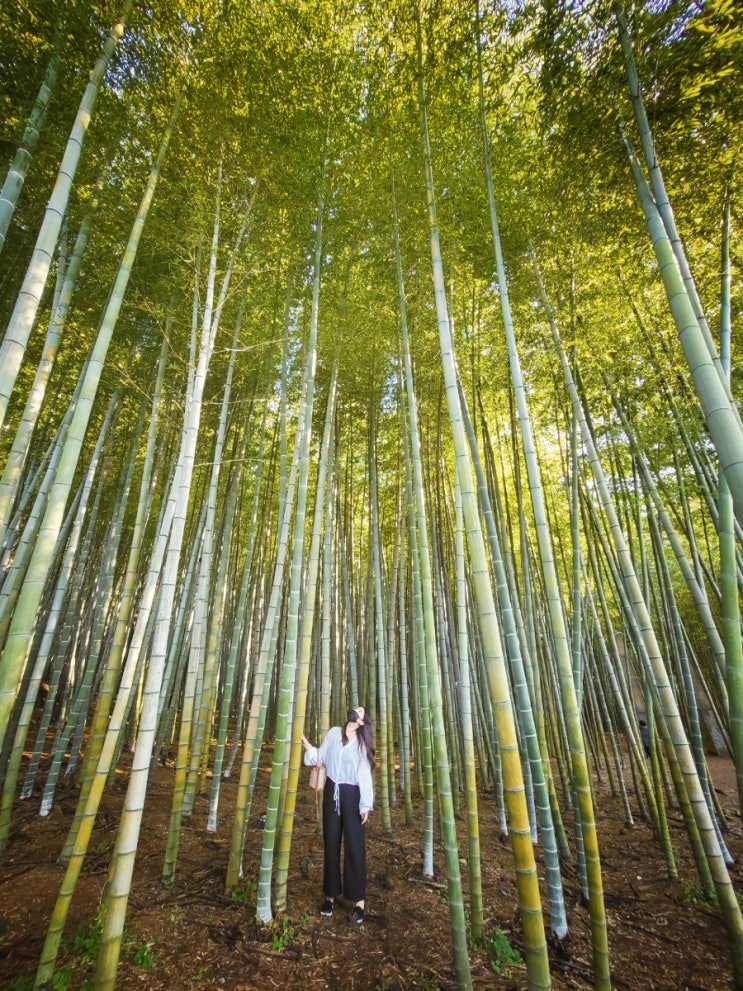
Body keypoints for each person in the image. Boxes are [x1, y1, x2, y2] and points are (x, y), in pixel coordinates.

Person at [301, 706, 375, 924]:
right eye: (356, 708)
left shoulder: (361, 744)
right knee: (331, 844)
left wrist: (365, 804)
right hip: (332, 792)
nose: (356, 710)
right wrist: (309, 748)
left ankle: (359, 902)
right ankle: (330, 896)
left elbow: (364, 775)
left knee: (354, 846)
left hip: (352, 795)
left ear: (362, 722)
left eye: (360, 711)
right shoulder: (334, 733)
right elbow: (321, 758)